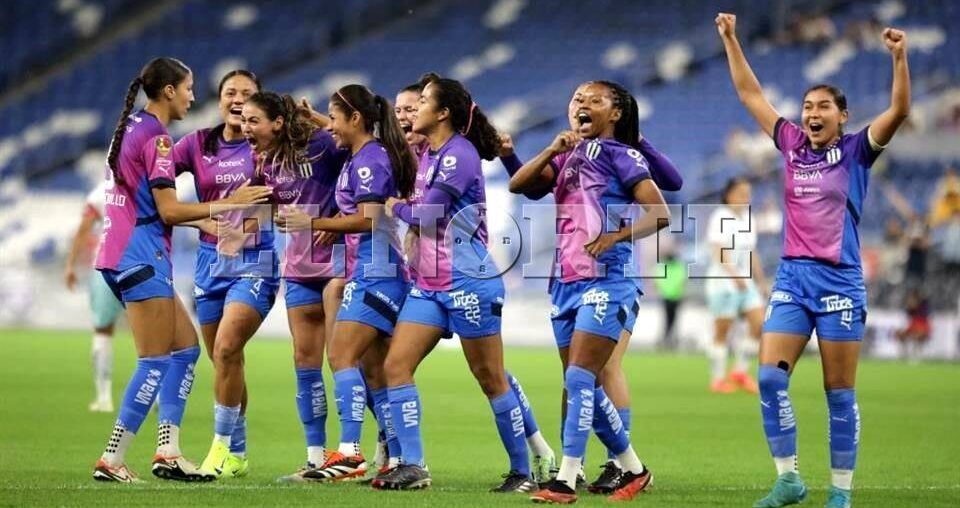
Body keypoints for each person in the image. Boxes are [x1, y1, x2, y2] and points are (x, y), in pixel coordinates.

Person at [717, 13, 910, 508]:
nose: (811, 113)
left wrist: (898, 57)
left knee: (838, 392)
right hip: (793, 279)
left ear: (842, 115)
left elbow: (900, 110)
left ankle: (840, 494)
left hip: (841, 283)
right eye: (807, 106)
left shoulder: (857, 151)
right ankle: (788, 480)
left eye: (823, 106)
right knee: (767, 377)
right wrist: (732, 39)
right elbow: (751, 96)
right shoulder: (791, 145)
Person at [92, 57, 271, 483]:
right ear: (169, 91)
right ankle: (112, 458)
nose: (194, 96)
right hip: (141, 256)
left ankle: (168, 451)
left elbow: (151, 204)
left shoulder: (132, 126)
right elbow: (169, 210)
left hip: (119, 252)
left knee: (187, 349)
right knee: (154, 360)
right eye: (189, 88)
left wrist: (203, 220)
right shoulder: (159, 138)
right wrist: (228, 203)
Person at [509, 80, 671, 503]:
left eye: (593, 99)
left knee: (582, 377)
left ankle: (565, 478)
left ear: (614, 114)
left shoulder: (623, 155)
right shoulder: (567, 155)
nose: (581, 103)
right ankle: (634, 470)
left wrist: (616, 238)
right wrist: (549, 148)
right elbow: (519, 185)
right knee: (584, 383)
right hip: (564, 280)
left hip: (608, 280)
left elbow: (659, 213)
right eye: (577, 98)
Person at [373, 77, 538, 493]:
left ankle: (522, 471)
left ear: (443, 113)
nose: (414, 109)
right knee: (396, 366)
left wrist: (394, 205)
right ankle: (413, 465)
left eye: (423, 102)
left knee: (490, 377)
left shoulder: (459, 154)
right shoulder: (426, 154)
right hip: (428, 285)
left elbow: (428, 215)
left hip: (467, 280)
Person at [274, 84, 417, 481]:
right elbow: (361, 212)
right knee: (375, 371)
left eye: (334, 119)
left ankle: (351, 453)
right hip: (370, 271)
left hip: (377, 273)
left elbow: (370, 217)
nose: (329, 127)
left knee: (340, 356)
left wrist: (314, 222)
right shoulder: (362, 154)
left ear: (355, 119)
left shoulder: (369, 160)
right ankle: (399, 459)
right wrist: (317, 118)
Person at [172, 69, 277, 478]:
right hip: (208, 263)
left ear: (258, 103)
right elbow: (155, 186)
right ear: (218, 100)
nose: (237, 99)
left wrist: (243, 231)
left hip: (257, 260)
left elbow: (277, 203)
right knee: (225, 361)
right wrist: (196, 222)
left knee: (228, 348)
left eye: (247, 94)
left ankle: (217, 451)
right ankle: (237, 454)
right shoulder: (197, 144)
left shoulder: (267, 149)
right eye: (230, 92)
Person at [240, 91, 349, 482]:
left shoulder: (321, 145)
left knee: (347, 363)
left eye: (253, 120)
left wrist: (334, 212)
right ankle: (317, 457)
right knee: (305, 365)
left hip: (340, 263)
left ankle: (371, 451)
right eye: (243, 121)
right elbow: (266, 206)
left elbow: (361, 161)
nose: (245, 127)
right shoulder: (261, 160)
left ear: (278, 122)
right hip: (299, 268)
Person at [65, 180, 125, 413]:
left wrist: (70, 265)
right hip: (142, 263)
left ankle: (103, 398)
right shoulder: (145, 184)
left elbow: (84, 229)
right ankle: (157, 396)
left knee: (102, 330)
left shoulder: (101, 192)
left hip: (105, 265)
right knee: (152, 336)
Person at [705, 177, 767, 394]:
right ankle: (718, 379)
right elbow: (716, 249)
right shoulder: (720, 216)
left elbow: (752, 253)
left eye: (748, 193)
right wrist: (733, 274)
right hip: (723, 282)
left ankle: (740, 371)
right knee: (723, 330)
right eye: (742, 193)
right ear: (729, 194)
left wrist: (761, 281)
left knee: (759, 323)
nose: (746, 198)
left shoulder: (748, 219)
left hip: (745, 280)